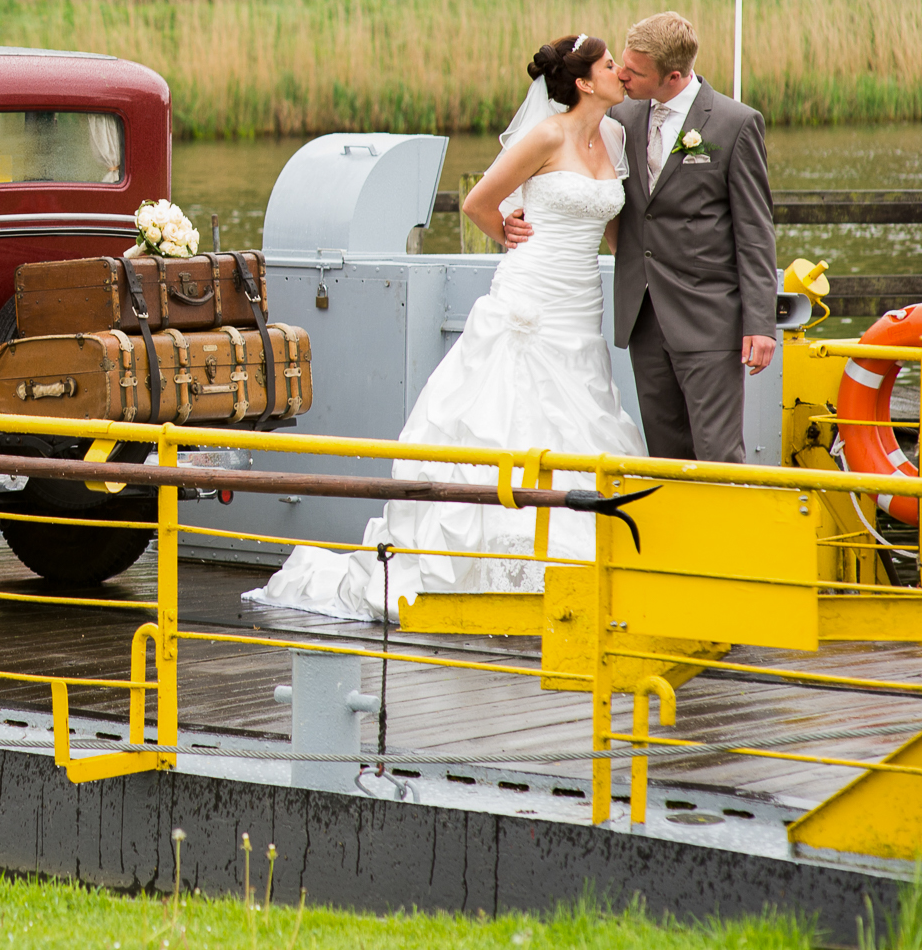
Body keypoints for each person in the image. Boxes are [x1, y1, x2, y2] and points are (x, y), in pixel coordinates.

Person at [248, 34, 648, 623]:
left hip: (580, 298)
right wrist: (507, 229)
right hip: (530, 294)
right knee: (505, 414)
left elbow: (612, 223)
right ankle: (496, 562)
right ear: (586, 82)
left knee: (582, 410)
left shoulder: (613, 135)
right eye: (611, 65)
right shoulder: (545, 135)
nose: (621, 72)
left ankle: (578, 556)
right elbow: (480, 202)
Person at [509, 11, 777, 463]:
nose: (622, 75)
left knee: (717, 452)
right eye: (621, 64)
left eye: (634, 72)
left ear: (673, 76)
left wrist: (760, 323)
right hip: (643, 317)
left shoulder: (736, 124)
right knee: (664, 449)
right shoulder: (620, 117)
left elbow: (755, 231)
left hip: (709, 317)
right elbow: (566, 157)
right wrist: (521, 209)